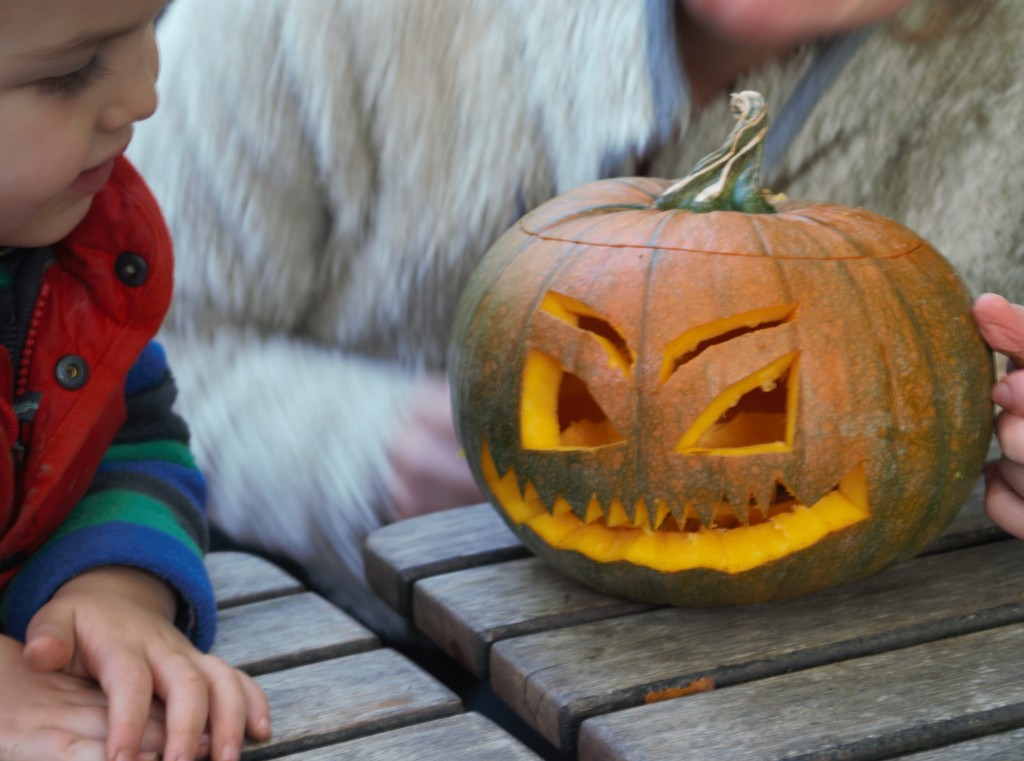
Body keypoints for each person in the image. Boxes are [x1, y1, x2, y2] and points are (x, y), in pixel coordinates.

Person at [128, 0, 1024, 637]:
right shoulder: (306, 18)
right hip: (350, 646)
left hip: (866, 656)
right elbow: (124, 351)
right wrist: (360, 446)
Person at [0, 0, 271, 759]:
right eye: (70, 69)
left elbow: (132, 448)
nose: (142, 96)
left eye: (150, 21)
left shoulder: (77, 266)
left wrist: (112, 586)